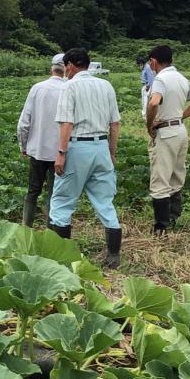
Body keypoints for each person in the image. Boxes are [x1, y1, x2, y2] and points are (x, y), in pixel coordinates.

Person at [49, 47, 123, 268]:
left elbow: (66, 123)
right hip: (100, 146)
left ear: (70, 66)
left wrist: (61, 154)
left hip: (78, 147)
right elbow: (115, 123)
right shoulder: (106, 85)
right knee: (104, 202)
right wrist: (111, 152)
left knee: (62, 201)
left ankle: (61, 257)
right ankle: (113, 256)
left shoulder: (69, 86)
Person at [145, 45, 190, 233]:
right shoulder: (180, 77)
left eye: (150, 62)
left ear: (153, 61)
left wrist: (150, 123)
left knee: (160, 178)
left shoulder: (160, 79)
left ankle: (160, 227)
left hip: (165, 133)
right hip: (180, 130)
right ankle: (172, 219)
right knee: (176, 176)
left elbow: (154, 101)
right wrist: (180, 116)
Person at [16, 53, 67, 227]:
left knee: (32, 191)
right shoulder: (69, 88)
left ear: (51, 68)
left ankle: (26, 227)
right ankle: (50, 230)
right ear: (66, 68)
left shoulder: (38, 88)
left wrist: (24, 146)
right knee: (54, 194)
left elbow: (24, 122)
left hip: (37, 150)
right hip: (60, 152)